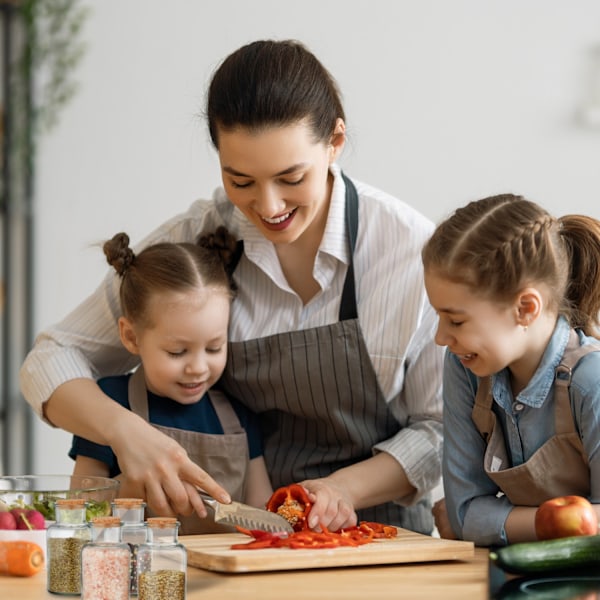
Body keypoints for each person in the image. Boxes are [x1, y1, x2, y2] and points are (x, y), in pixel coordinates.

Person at [20, 39, 444, 534]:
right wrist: (125, 432)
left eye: (291, 177)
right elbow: (51, 358)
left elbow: (441, 429)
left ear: (335, 141)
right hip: (237, 545)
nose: (267, 206)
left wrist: (342, 490)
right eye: (240, 181)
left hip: (383, 542)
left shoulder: (409, 250)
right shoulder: (197, 238)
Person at [422, 193, 600, 547]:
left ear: (525, 308)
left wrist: (499, 522)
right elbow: (463, 514)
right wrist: (555, 522)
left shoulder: (590, 382)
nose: (441, 338)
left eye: (456, 320)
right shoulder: (466, 367)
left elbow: (469, 521)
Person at [70, 227, 273, 533]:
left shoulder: (238, 416)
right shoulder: (110, 403)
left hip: (229, 580)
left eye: (214, 347)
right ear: (131, 336)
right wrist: (134, 486)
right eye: (178, 352)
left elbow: (263, 513)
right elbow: (79, 511)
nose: (198, 368)